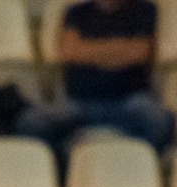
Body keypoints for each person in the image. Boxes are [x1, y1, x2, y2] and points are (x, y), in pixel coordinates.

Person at [19, 0, 173, 161]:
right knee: (31, 123)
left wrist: (87, 51)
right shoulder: (76, 12)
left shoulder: (145, 10)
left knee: (160, 122)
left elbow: (140, 51)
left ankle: (138, 167)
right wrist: (118, 50)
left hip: (130, 102)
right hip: (79, 103)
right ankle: (68, 174)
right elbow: (69, 51)